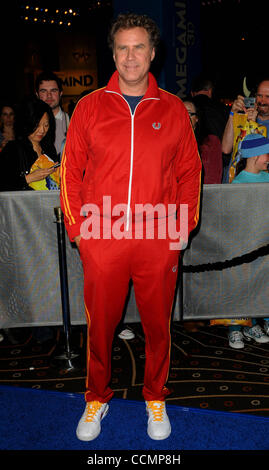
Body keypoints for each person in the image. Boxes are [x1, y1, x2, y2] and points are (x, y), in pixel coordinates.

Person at [60, 13, 201, 442]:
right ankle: (96, 397)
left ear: (153, 52)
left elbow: (189, 174)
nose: (130, 56)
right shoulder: (88, 106)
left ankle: (155, 396)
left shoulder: (173, 108)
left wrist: (181, 229)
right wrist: (79, 233)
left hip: (158, 238)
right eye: (122, 47)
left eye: (139, 47)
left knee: (158, 326)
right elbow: (71, 174)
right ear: (113, 53)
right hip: (102, 237)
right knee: (100, 326)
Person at [227, 133, 269, 349]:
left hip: (264, 242)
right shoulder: (239, 182)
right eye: (266, 153)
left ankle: (256, 322)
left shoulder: (267, 177)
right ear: (253, 156)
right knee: (242, 285)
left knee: (261, 283)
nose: (268, 158)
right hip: (245, 245)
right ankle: (236, 328)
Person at [0, 96, 58, 191]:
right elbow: (3, 183)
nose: (42, 130)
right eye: (37, 125)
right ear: (27, 123)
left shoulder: (49, 148)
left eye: (46, 125)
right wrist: (29, 178)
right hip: (24, 204)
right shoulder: (12, 149)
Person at [222, 78, 269, 175]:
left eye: (268, 97)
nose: (262, 101)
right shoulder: (242, 118)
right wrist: (232, 114)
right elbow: (225, 149)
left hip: (261, 185)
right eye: (259, 96)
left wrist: (253, 125)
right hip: (235, 181)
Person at [183, 98, 223, 184]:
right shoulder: (170, 141)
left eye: (189, 113)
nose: (185, 117)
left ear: (197, 118)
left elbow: (214, 177)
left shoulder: (211, 142)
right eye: (181, 113)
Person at [35, 71, 69, 159]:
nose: (49, 95)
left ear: (61, 93)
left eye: (53, 91)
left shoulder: (72, 121)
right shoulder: (29, 126)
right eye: (43, 91)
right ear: (37, 94)